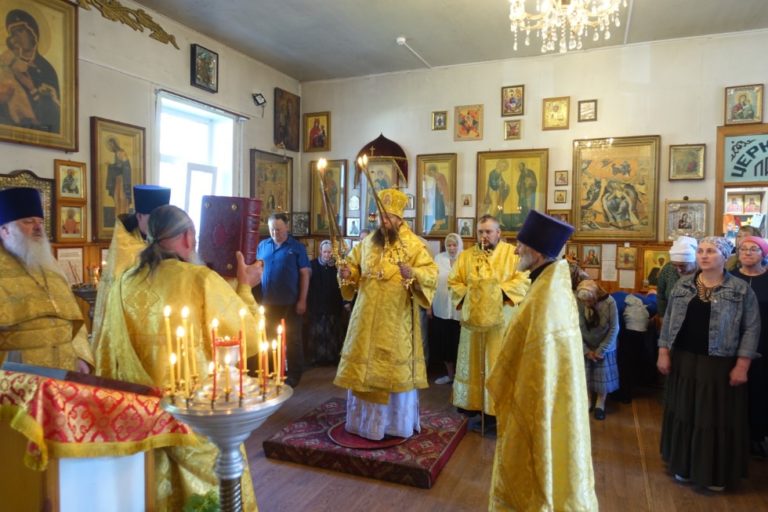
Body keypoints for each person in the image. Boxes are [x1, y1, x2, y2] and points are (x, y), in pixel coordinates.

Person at [95, 205, 262, 511]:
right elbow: (247, 338)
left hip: (140, 416)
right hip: (194, 416)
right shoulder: (200, 279)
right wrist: (245, 288)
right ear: (188, 237)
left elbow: (106, 349)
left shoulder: (122, 282)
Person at [487, 210, 597, 510]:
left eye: (521, 244)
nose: (516, 250)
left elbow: (532, 358)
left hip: (535, 401)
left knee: (536, 457)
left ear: (536, 252)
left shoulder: (546, 297)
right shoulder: (550, 284)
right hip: (544, 394)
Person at [657, 236, 759, 491]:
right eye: (701, 251)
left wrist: (742, 365)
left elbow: (751, 328)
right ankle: (683, 465)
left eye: (711, 251)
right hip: (684, 360)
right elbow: (668, 320)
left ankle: (714, 473)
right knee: (684, 412)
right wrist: (663, 352)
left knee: (714, 417)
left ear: (725, 256)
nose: (704, 255)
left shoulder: (740, 289)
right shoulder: (682, 285)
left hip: (719, 364)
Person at [335, 188, 437, 440]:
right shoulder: (369, 241)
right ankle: (362, 424)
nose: (384, 221)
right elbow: (353, 266)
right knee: (363, 370)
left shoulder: (414, 245)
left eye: (389, 217)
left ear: (400, 219)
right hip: (365, 317)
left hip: (396, 319)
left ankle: (394, 425)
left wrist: (413, 273)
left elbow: (431, 273)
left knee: (392, 370)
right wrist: (347, 273)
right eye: (381, 216)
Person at [447, 215, 529, 431]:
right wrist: (471, 296)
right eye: (480, 232)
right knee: (473, 363)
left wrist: (497, 293)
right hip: (472, 324)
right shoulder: (466, 256)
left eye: (488, 231)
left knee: (496, 363)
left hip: (500, 322)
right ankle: (474, 407)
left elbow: (523, 279)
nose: (484, 236)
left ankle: (496, 413)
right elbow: (454, 282)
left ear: (498, 233)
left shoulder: (512, 254)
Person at [0, 187, 92, 371]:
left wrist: (81, 355)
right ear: (5, 230)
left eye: (40, 222)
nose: (38, 228)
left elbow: (73, 319)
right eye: (28, 222)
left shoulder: (51, 266)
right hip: (17, 367)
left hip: (65, 363)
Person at [91, 185, 171, 347]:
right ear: (139, 216)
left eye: (163, 220)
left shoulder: (167, 242)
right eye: (154, 219)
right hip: (128, 323)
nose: (159, 225)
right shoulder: (125, 246)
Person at [255, 212, 310, 387]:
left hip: (291, 303)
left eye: (278, 229)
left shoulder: (297, 247)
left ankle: (294, 374)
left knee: (293, 340)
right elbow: (256, 271)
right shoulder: (262, 246)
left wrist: (302, 300)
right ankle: (273, 372)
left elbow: (305, 274)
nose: (275, 233)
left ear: (286, 227)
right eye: (272, 229)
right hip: (268, 303)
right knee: (270, 339)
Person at [731, 235, 768, 457]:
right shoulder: (730, 278)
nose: (747, 253)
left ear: (763, 253)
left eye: (753, 249)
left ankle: (758, 436)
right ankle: (735, 435)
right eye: (743, 249)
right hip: (733, 343)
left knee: (761, 388)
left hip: (764, 341)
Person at [0, 9, 60, 132]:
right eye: (13, 34)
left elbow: (54, 117)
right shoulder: (6, 63)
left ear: (33, 34)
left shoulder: (46, 69)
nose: (16, 38)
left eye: (20, 31)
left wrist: (34, 89)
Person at [576, 280, 620, 420]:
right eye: (583, 301)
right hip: (587, 344)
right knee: (587, 375)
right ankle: (588, 400)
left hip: (605, 345)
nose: (586, 304)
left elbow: (614, 328)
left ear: (595, 296)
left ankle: (600, 403)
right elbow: (576, 326)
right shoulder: (579, 302)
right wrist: (585, 350)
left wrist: (602, 350)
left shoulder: (609, 302)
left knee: (602, 377)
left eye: (589, 301)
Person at [429, 233, 463, 385]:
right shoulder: (438, 258)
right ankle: (450, 375)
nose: (451, 248)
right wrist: (429, 306)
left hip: (459, 310)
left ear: (459, 245)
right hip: (441, 307)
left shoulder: (465, 258)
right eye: (449, 245)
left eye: (454, 245)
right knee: (444, 343)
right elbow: (431, 282)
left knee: (459, 343)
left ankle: (461, 378)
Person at [306, 240, 345, 365]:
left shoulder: (337, 267)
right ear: (320, 252)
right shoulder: (313, 265)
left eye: (329, 252)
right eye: (325, 252)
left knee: (332, 332)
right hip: (317, 304)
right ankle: (317, 359)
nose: (327, 255)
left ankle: (332, 358)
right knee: (318, 333)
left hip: (333, 304)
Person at [656, 236, 698, 319]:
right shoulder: (668, 269)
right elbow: (660, 294)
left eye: (683, 266)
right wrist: (662, 316)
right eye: (675, 265)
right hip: (671, 317)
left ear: (694, 262)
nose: (678, 269)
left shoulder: (703, 273)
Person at [105, 137, 133, 218]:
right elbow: (118, 166)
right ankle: (118, 218)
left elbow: (123, 166)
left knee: (122, 198)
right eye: (109, 145)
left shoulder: (121, 152)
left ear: (115, 144)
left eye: (111, 145)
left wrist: (110, 166)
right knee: (117, 198)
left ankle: (123, 217)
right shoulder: (116, 153)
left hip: (122, 180)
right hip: (117, 180)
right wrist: (111, 166)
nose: (111, 147)